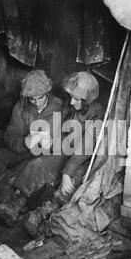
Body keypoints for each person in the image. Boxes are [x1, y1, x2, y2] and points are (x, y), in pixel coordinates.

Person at [0, 69, 66, 225]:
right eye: (32, 99)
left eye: (40, 98)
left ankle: (13, 207)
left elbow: (68, 142)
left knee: (35, 165)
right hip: (25, 151)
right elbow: (10, 134)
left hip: (46, 156)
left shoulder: (60, 108)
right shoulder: (20, 107)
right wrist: (24, 142)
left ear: (48, 93)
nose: (36, 103)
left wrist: (53, 143)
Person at [24, 71, 105, 237]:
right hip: (66, 153)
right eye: (71, 97)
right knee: (41, 163)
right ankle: (17, 201)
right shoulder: (71, 107)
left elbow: (87, 146)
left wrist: (68, 172)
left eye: (77, 98)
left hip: (82, 160)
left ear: (88, 99)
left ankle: (42, 214)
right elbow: (62, 131)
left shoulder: (97, 112)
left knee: (71, 183)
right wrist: (51, 141)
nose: (72, 101)